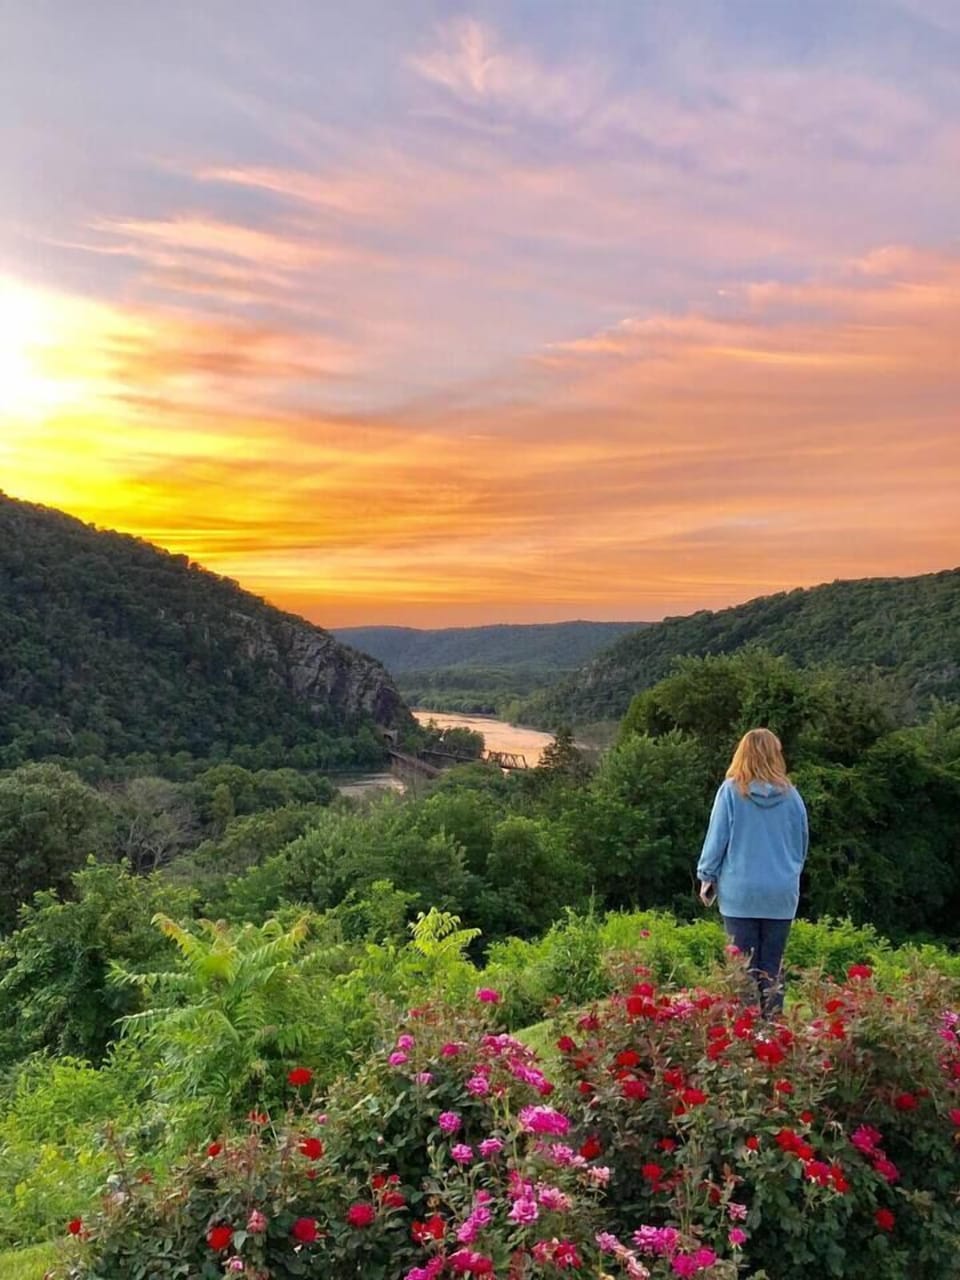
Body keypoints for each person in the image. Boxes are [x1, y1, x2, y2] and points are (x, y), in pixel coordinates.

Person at [696, 727, 808, 1016]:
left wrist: (707, 875)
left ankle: (746, 1031)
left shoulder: (731, 792)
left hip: (740, 892)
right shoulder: (792, 796)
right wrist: (789, 873)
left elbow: (717, 838)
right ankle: (773, 1030)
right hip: (780, 893)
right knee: (772, 967)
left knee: (743, 968)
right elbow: (801, 844)